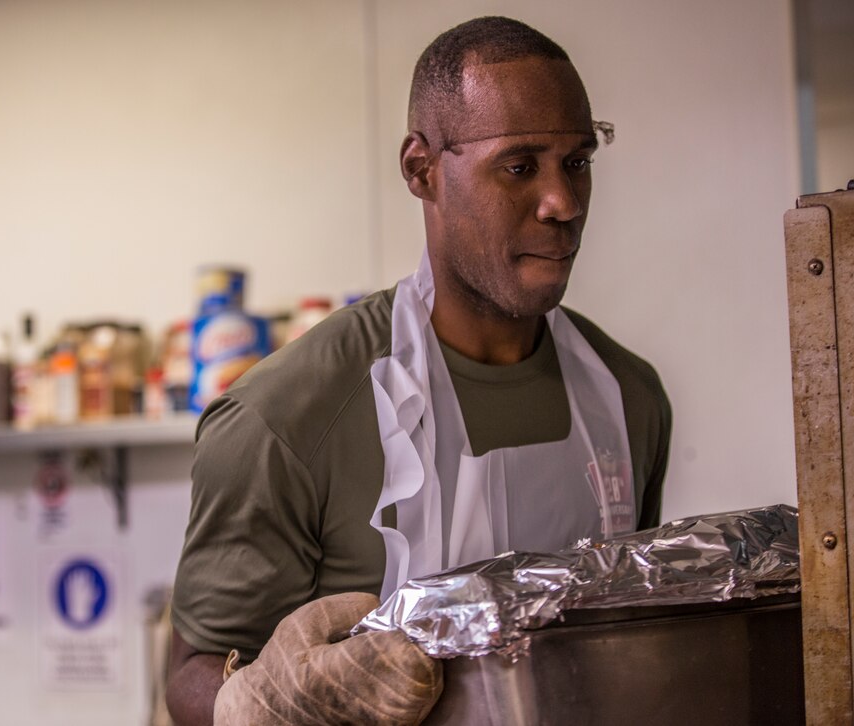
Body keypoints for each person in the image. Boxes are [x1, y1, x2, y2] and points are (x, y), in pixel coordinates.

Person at [166, 15, 672, 725]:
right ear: (421, 170)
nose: (563, 203)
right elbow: (189, 676)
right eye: (520, 166)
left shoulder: (628, 399)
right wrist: (258, 702)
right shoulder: (284, 421)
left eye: (578, 161)